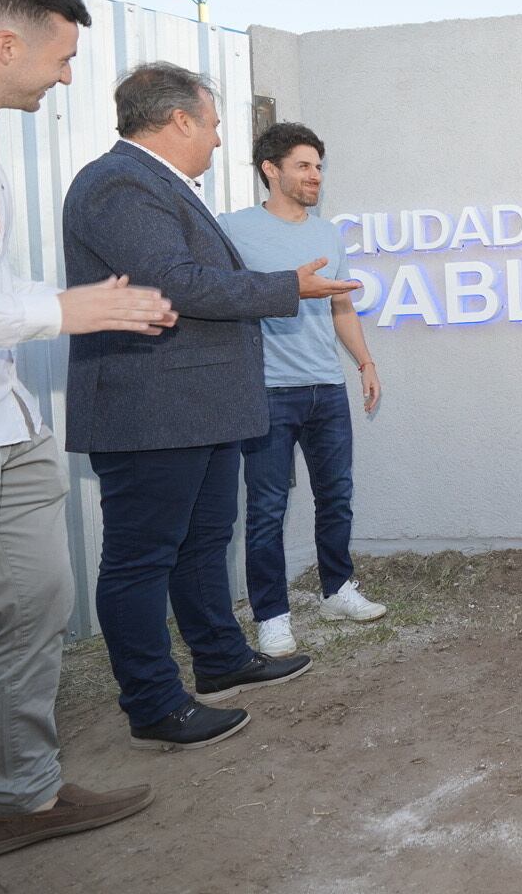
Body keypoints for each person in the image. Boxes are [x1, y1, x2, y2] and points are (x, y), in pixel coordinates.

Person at [0, 0, 167, 890]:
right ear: (0, 43)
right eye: (63, 55)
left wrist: (86, 301)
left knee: (34, 609)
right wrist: (64, 311)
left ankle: (19, 801)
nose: (71, 74)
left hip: (7, 418)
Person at [62, 62, 361, 750]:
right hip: (151, 407)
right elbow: (179, 284)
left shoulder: (162, 186)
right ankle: (154, 701)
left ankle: (221, 657)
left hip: (197, 405)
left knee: (202, 543)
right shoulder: (118, 184)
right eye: (216, 124)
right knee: (141, 560)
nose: (220, 140)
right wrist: (287, 287)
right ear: (180, 121)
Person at [217, 122, 387, 658]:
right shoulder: (233, 229)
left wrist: (364, 361)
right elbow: (217, 295)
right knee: (267, 507)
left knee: (336, 496)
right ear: (271, 170)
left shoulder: (327, 232)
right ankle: (272, 616)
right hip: (268, 390)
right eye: (304, 166)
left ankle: (338, 590)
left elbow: (340, 305)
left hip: (326, 389)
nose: (315, 175)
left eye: (318, 166)